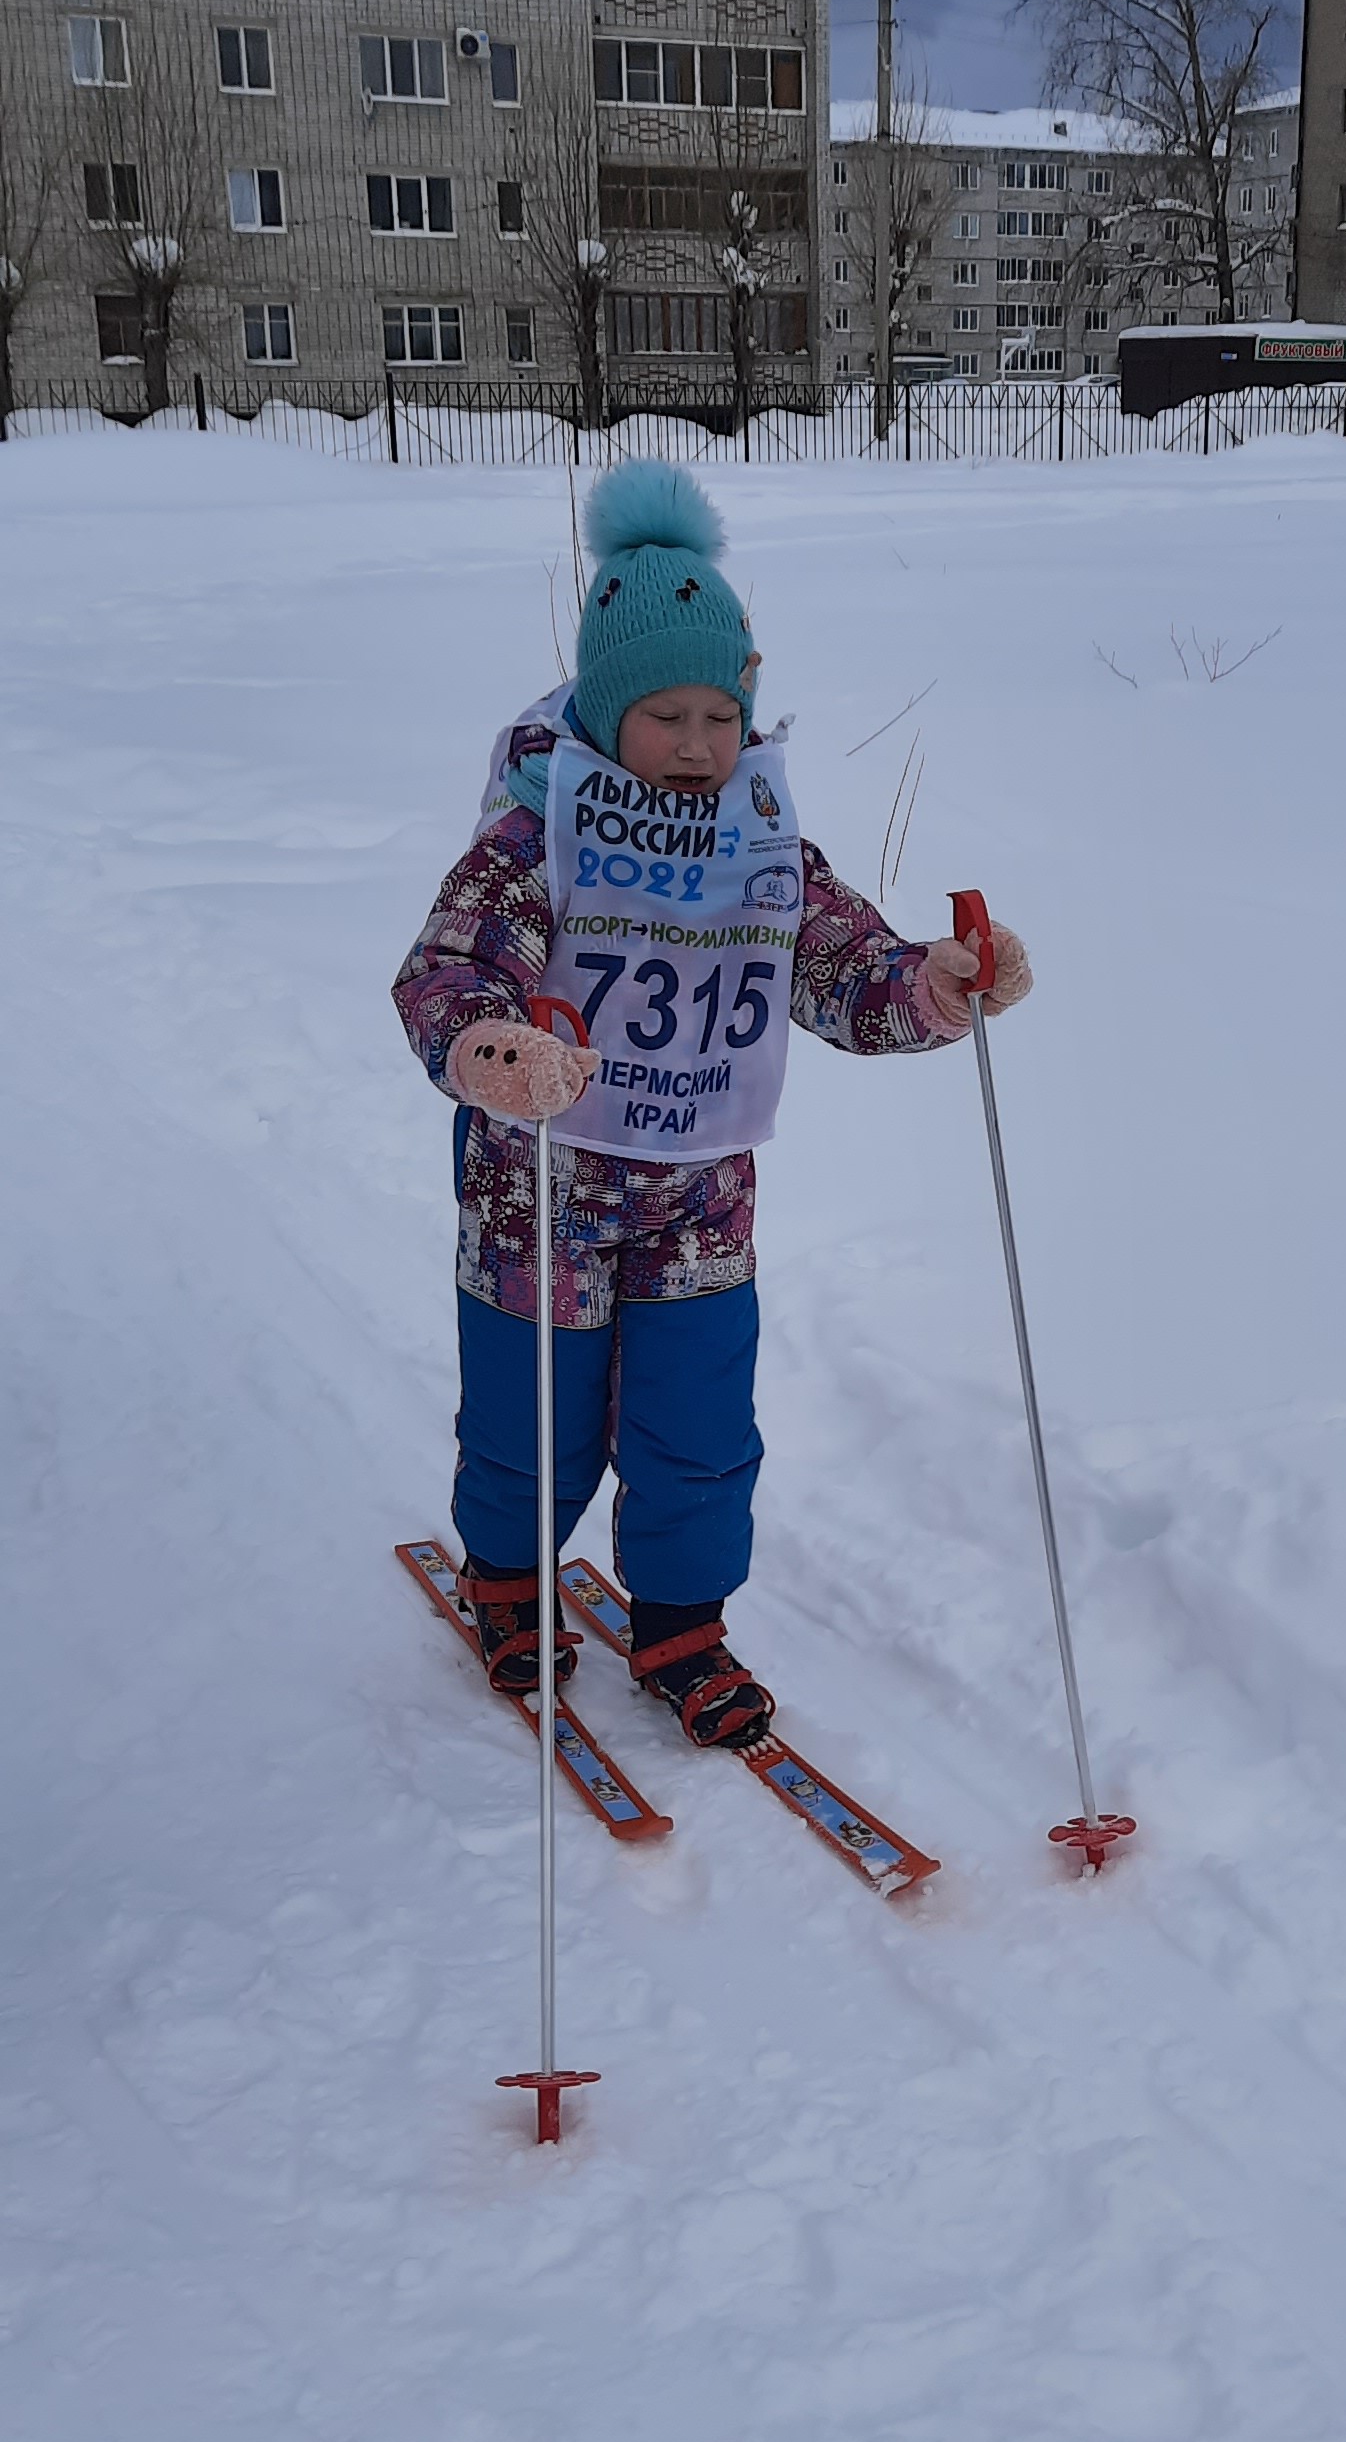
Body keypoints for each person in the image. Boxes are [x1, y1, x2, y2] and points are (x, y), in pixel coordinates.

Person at [393, 463, 1031, 1750]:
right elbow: (449, 969)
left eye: (720, 715)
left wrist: (931, 983)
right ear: (606, 708)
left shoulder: (758, 842)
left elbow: (840, 965)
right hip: (541, 1192)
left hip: (700, 1193)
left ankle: (683, 1622)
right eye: (665, 715)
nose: (696, 745)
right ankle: (508, 1579)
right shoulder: (537, 838)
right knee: (533, 1415)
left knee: (697, 1422)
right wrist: (488, 1047)